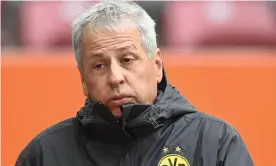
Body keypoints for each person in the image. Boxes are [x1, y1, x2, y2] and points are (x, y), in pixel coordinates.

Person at [15, 1, 254, 166]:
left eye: (127, 59)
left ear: (157, 66)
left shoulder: (214, 142)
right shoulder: (44, 155)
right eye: (99, 66)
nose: (115, 77)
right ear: (83, 80)